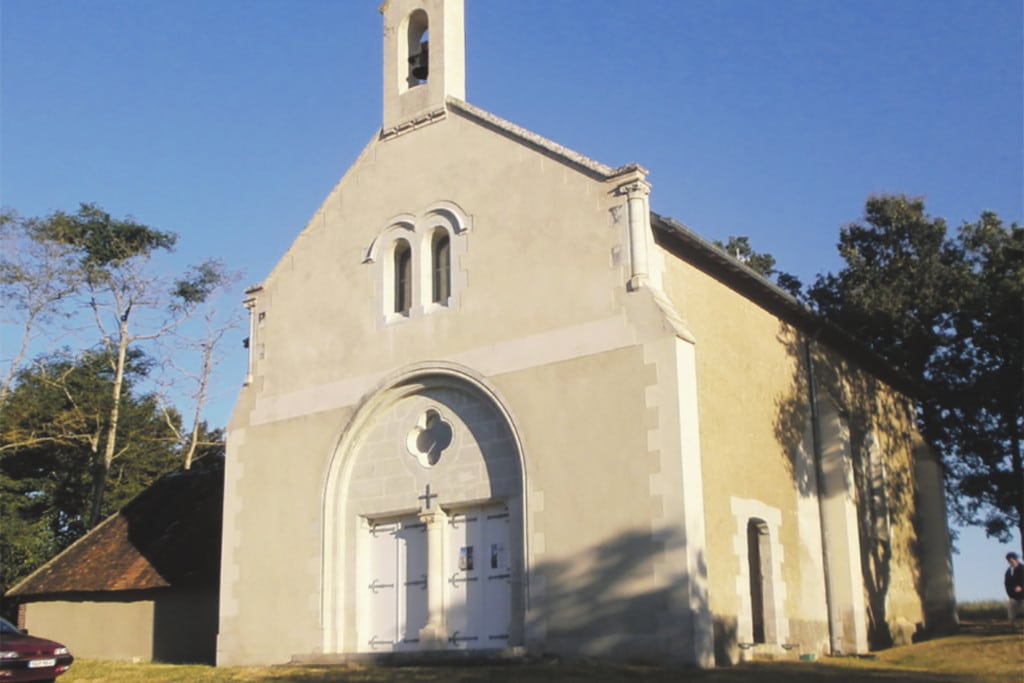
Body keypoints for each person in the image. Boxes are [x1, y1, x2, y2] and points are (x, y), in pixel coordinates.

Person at [1005, 552, 1024, 625]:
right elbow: (1007, 583)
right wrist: (1010, 593)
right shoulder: (1009, 571)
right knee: (1011, 610)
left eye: (1011, 561)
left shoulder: (1022, 569)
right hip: (1013, 596)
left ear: (1016, 560)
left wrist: (1021, 587)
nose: (1010, 562)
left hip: (1023, 595)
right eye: (1009, 561)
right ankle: (1011, 624)